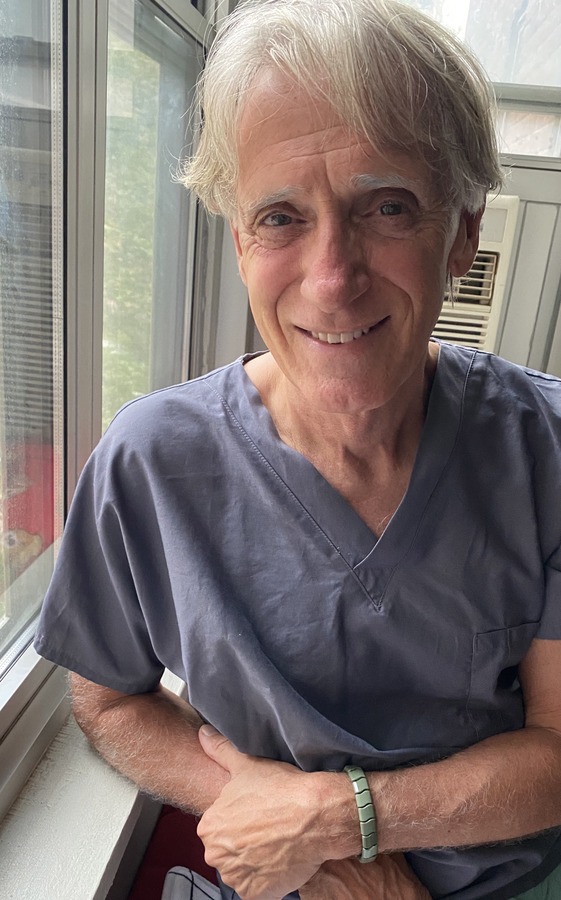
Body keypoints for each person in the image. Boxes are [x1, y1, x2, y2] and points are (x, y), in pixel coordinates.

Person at [34, 0, 561, 898]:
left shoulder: (543, 448)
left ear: (463, 233)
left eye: (386, 206)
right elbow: (108, 700)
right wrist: (292, 830)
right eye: (280, 216)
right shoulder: (150, 464)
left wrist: (344, 818)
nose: (332, 276)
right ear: (238, 242)